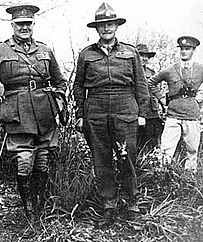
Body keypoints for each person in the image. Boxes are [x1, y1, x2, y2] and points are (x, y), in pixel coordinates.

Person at [0, 5, 66, 223]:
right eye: (20, 24)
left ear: (33, 25)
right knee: (25, 159)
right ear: (12, 25)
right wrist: (1, 112)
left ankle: (39, 205)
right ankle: (28, 209)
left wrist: (57, 99)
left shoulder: (45, 50)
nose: (24, 28)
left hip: (44, 112)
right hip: (17, 113)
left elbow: (60, 81)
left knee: (43, 157)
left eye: (28, 24)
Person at [73, 2, 149, 223]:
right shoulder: (86, 54)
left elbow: (141, 84)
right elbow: (78, 86)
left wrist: (142, 112)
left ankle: (132, 203)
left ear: (116, 26)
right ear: (96, 29)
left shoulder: (130, 52)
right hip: (95, 108)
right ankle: (108, 204)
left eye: (110, 24)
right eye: (102, 25)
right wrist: (80, 113)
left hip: (124, 106)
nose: (106, 28)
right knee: (101, 157)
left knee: (127, 156)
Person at [148, 36, 203, 177]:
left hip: (192, 114)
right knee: (166, 149)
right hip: (173, 115)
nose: (184, 52)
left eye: (188, 49)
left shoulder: (200, 69)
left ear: (194, 50)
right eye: (182, 49)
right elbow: (151, 83)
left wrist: (199, 99)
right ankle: (161, 178)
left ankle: (189, 180)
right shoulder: (170, 70)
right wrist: (162, 99)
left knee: (192, 150)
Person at [136, 44, 164, 151]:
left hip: (151, 110)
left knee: (153, 139)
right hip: (136, 109)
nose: (144, 58)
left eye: (146, 56)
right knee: (136, 140)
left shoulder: (151, 73)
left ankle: (151, 162)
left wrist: (162, 104)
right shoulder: (129, 72)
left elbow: (155, 90)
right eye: (141, 55)